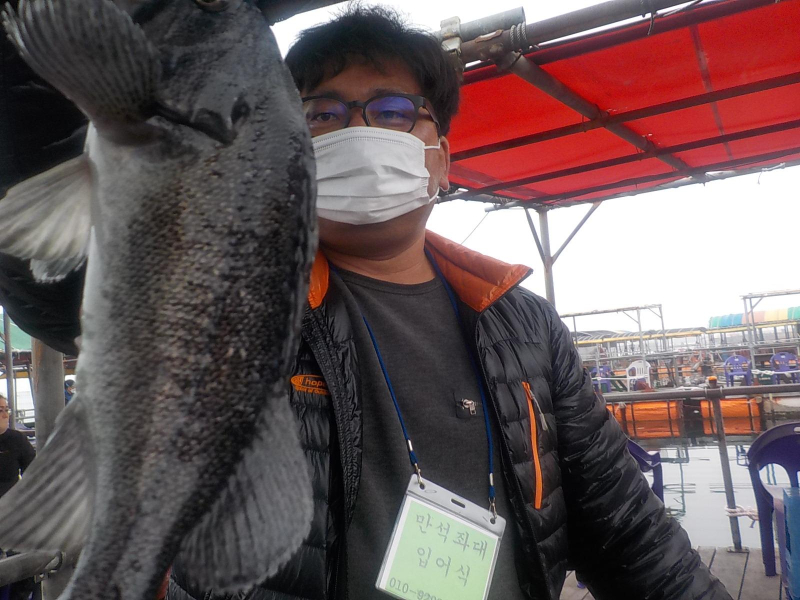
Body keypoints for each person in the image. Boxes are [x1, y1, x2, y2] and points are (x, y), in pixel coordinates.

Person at [0, 5, 731, 600]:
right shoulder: (229, 286)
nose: (357, 129)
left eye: (392, 109)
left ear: (441, 159)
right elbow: (46, 269)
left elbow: (630, 533)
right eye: (321, 114)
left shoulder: (523, 321)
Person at [0, 394, 36, 600]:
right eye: (0, 410)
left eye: (7, 409)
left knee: (25, 570)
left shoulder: (17, 440)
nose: (5, 414)